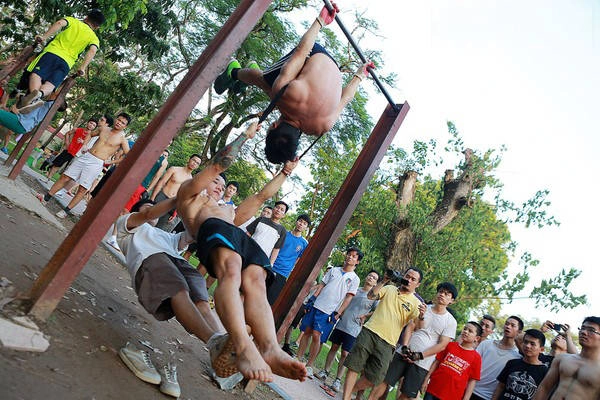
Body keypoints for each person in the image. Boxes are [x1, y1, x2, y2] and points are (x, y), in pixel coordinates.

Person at [175, 120, 306, 382]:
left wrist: (285, 173)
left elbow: (260, 198)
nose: (220, 188)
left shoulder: (228, 210)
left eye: (223, 188)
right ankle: (244, 346)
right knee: (232, 271)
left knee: (256, 280)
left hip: (234, 234)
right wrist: (245, 136)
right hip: (210, 229)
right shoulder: (190, 198)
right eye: (217, 184)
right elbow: (216, 166)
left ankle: (270, 348)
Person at [214, 3, 375, 164]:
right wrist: (320, 20)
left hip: (332, 68)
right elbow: (302, 51)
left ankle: (245, 75)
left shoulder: (322, 127)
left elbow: (345, 98)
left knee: (273, 92)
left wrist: (360, 75)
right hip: (313, 54)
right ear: (274, 126)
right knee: (268, 83)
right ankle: (233, 72)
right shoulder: (286, 93)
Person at [115, 197, 233, 396]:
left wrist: (211, 209)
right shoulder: (128, 223)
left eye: (154, 206)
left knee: (202, 302)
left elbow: (190, 235)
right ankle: (214, 342)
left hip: (179, 263)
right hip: (152, 258)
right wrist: (181, 197)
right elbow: (147, 215)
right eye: (148, 205)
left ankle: (227, 347)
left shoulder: (165, 235)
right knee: (179, 291)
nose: (152, 209)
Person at [342, 268, 426, 400]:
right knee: (354, 366)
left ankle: (351, 390)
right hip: (369, 332)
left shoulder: (417, 304)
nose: (408, 280)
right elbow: (370, 296)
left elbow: (419, 327)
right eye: (407, 276)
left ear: (418, 284)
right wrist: (384, 281)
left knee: (375, 378)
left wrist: (421, 316)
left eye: (413, 279)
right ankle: (345, 397)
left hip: (388, 343)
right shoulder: (390, 289)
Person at [370, 282, 459, 400]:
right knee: (384, 381)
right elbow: (411, 327)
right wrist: (405, 347)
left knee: (406, 394)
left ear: (451, 300)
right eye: (441, 291)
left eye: (447, 294)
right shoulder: (423, 307)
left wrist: (419, 355)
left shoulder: (451, 321)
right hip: (404, 352)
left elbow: (442, 345)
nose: (442, 295)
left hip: (422, 362)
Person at [34, 112, 131, 218]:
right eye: (119, 120)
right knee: (65, 177)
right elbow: (90, 134)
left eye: (123, 123)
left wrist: (109, 162)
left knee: (82, 188)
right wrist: (84, 145)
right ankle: (46, 198)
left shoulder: (122, 139)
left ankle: (66, 211)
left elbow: (128, 156)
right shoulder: (104, 129)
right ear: (116, 119)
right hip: (87, 156)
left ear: (125, 126)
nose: (119, 123)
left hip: (97, 162)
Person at [17, 9, 104, 108]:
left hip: (52, 53)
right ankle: (39, 96)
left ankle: (33, 96)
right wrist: (82, 67)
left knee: (36, 74)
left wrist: (44, 37)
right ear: (97, 27)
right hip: (67, 63)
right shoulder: (94, 38)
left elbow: (59, 23)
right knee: (52, 84)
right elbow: (92, 51)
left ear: (86, 17)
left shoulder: (73, 21)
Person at [297, 247, 362, 377]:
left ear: (357, 261)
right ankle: (298, 359)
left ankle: (309, 365)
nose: (350, 257)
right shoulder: (334, 270)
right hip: (317, 305)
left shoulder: (354, 279)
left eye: (354, 256)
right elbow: (322, 285)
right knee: (307, 332)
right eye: (349, 254)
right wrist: (312, 299)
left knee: (317, 336)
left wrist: (338, 313)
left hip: (329, 311)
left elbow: (348, 298)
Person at [315, 270, 380, 393]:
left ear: (376, 282)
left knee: (345, 354)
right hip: (342, 323)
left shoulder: (375, 297)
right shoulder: (356, 290)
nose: (371, 278)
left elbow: (377, 311)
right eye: (370, 275)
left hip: (354, 329)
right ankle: (325, 371)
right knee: (334, 347)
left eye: (374, 278)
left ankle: (338, 380)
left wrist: (366, 316)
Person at [534, 316, 600, 400]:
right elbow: (545, 387)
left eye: (591, 330)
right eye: (582, 328)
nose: (583, 332)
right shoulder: (562, 359)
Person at [421, 322, 483, 400]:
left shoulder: (476, 358)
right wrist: (426, 379)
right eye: (465, 329)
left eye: (470, 331)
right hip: (433, 388)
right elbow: (436, 362)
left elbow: (472, 381)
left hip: (452, 396)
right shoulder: (450, 345)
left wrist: (466, 398)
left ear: (476, 338)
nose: (466, 331)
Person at [471, 316, 523, 400]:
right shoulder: (486, 344)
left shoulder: (517, 356)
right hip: (470, 390)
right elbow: (471, 365)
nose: (508, 326)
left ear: (519, 332)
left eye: (512, 325)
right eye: (506, 323)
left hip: (489, 397)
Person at [266, 213, 311, 304]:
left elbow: (298, 260)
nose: (301, 224)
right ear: (296, 221)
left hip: (283, 274)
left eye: (304, 223)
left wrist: (291, 271)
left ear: (306, 228)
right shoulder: (284, 233)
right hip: (270, 267)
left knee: (270, 301)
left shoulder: (304, 243)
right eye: (300, 221)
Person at [491, 329, 548, 400]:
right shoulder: (512, 363)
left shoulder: (545, 372)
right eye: (525, 342)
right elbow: (500, 387)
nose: (527, 346)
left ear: (541, 349)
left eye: (532, 344)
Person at [151, 153, 201, 231]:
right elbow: (161, 182)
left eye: (197, 163)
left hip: (173, 204)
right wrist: (152, 198)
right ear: (189, 159)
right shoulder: (174, 169)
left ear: (198, 166)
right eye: (194, 160)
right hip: (162, 197)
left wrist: (176, 212)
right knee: (149, 220)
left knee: (158, 229)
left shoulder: (191, 181)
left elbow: (183, 197)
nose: (195, 163)